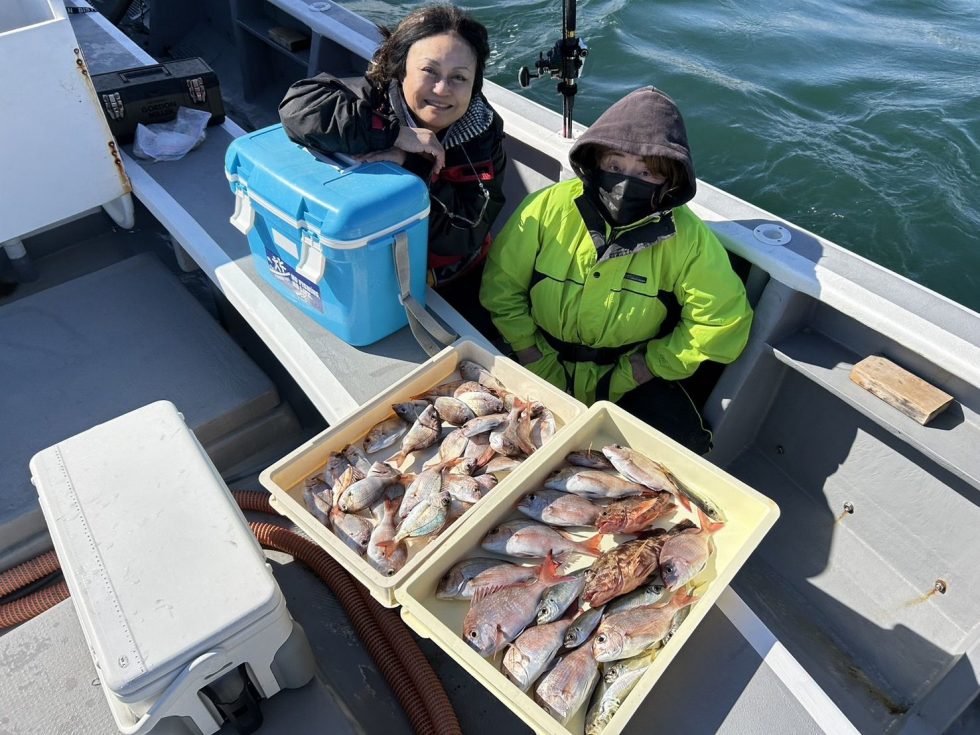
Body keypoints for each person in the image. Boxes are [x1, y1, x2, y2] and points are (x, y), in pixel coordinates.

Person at [480, 86, 753, 453]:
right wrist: (530, 351)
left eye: (647, 173)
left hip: (627, 376)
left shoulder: (689, 238)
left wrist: (647, 367)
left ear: (671, 181)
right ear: (595, 162)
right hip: (536, 354)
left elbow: (723, 322)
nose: (626, 184)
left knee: (685, 454)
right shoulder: (547, 207)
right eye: (614, 166)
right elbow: (501, 287)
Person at [279, 4, 506, 313]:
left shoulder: (481, 132)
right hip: (372, 276)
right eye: (429, 71)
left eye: (459, 77)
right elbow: (297, 109)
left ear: (474, 84)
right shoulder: (376, 98)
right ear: (401, 69)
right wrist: (395, 134)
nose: (442, 89)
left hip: (458, 281)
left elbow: (465, 231)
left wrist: (412, 166)